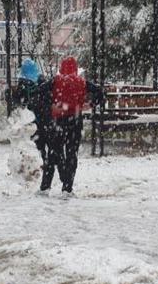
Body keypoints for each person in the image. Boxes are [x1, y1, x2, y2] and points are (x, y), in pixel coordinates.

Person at [47, 56, 103, 194]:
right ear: (76, 68)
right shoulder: (82, 82)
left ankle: (63, 175)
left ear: (62, 67)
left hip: (59, 121)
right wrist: (90, 104)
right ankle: (68, 185)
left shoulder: (56, 81)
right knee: (72, 153)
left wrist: (51, 105)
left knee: (58, 151)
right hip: (75, 120)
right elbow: (101, 93)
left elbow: (39, 92)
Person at [12, 58, 54, 189]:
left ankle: (36, 165)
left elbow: (18, 102)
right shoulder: (41, 82)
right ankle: (43, 163)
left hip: (33, 119)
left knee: (34, 143)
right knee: (41, 144)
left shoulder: (24, 84)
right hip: (42, 118)